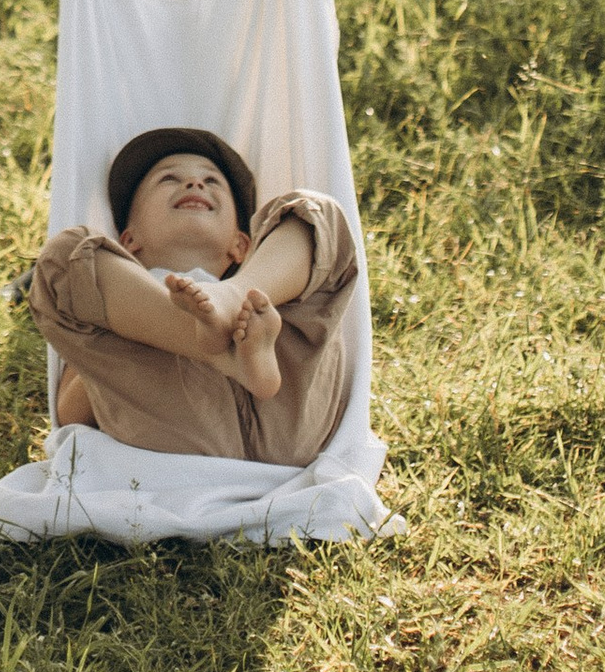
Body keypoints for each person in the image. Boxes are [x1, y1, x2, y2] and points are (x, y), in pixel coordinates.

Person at [29, 127, 359, 467]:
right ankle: (220, 350)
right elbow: (71, 414)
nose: (195, 184)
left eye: (212, 181)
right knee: (66, 256)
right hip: (178, 426)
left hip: (282, 410)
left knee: (317, 212)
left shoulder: (266, 297)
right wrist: (121, 350)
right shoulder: (112, 303)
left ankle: (229, 298)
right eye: (168, 178)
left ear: (241, 245)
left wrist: (237, 299)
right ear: (128, 241)